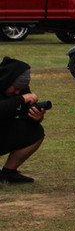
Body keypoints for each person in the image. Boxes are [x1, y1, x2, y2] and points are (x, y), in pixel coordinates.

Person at [0, 56, 46, 184]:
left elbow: (24, 113)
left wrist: (36, 117)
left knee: (35, 131)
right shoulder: (20, 96)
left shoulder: (19, 92)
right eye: (15, 88)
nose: (17, 92)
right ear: (7, 80)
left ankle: (8, 173)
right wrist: (21, 99)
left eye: (20, 90)